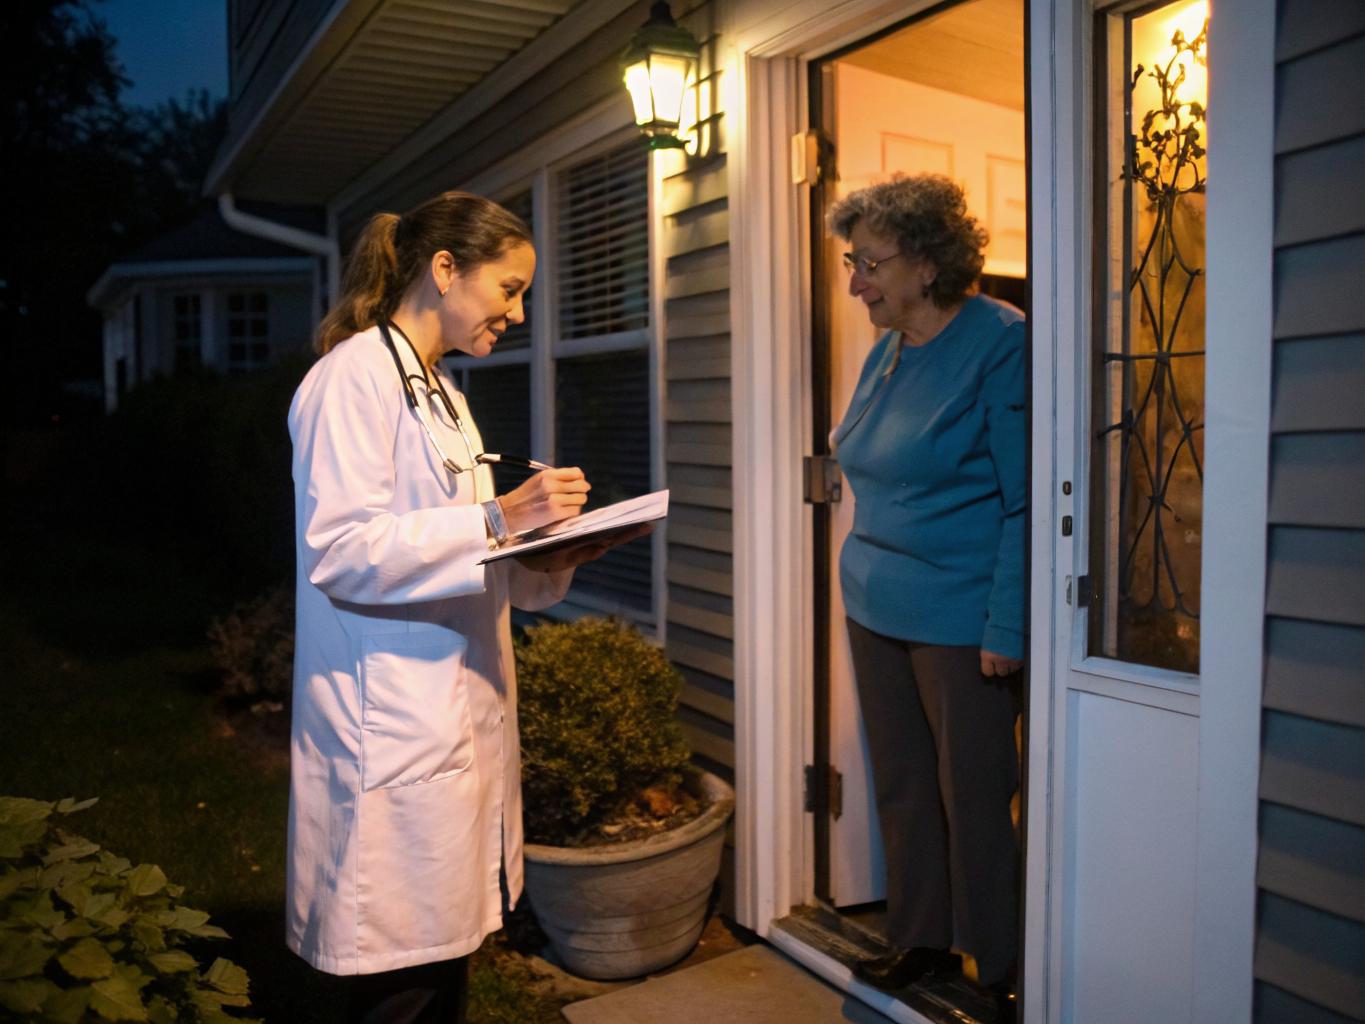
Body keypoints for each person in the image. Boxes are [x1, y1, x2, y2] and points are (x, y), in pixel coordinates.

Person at [286, 191, 649, 1024]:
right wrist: (497, 518)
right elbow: (339, 550)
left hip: (455, 712)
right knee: (398, 987)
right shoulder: (350, 379)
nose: (517, 314)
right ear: (443, 270)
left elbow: (470, 556)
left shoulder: (441, 392)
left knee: (439, 972)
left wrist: (549, 555)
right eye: (509, 288)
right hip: (389, 727)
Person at [828, 174, 1024, 1015]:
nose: (854, 283)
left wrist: (1007, 622)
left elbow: (1027, 499)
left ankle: (1005, 963)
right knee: (904, 784)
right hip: (874, 601)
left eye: (868, 263)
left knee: (973, 792)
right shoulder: (887, 348)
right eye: (852, 262)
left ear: (924, 259)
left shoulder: (998, 340)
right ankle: (921, 938)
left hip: (960, 614)